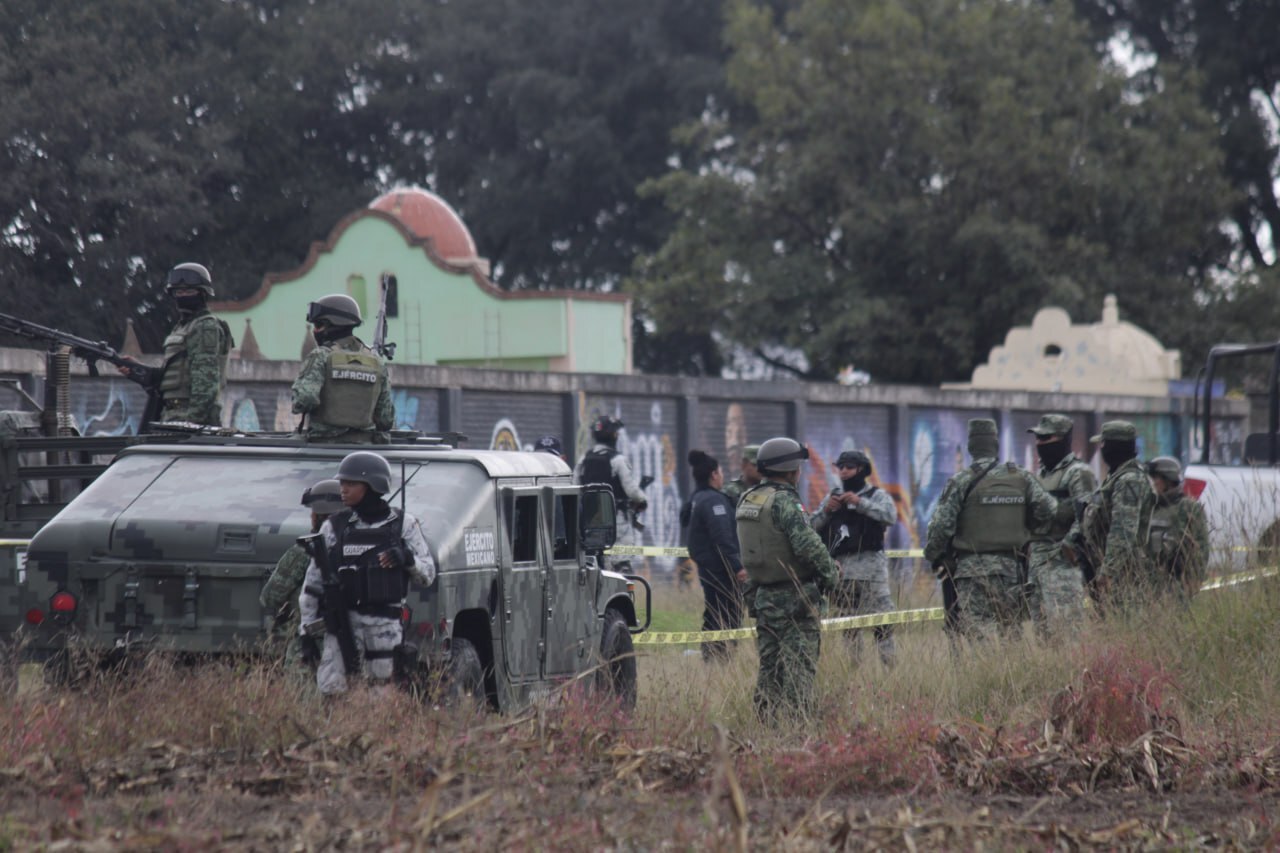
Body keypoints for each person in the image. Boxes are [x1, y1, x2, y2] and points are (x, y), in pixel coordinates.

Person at [298, 451, 436, 695]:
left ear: (372, 485)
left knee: (382, 696)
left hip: (385, 628)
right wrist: (306, 632)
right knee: (333, 693)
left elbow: (427, 575)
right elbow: (313, 584)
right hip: (343, 624)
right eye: (342, 483)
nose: (343, 489)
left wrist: (406, 558)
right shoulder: (335, 526)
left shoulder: (403, 524)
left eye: (351, 484)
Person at [924, 419, 1057, 641]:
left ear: (971, 446)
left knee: (978, 634)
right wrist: (1028, 531)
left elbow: (941, 526)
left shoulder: (961, 481)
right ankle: (1012, 675)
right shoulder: (1021, 477)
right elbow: (1049, 510)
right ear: (995, 444)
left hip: (971, 572)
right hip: (1012, 570)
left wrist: (933, 555)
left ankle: (985, 674)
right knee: (1011, 633)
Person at [737, 437, 839, 721]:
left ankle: (765, 725)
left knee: (769, 668)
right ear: (792, 469)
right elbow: (807, 545)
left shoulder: (749, 499)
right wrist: (830, 574)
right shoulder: (785, 501)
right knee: (799, 669)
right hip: (796, 599)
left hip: (763, 598)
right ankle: (799, 729)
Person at [808, 449, 897, 666]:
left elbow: (890, 516)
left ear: (861, 469)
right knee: (849, 627)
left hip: (872, 574)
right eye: (841, 467)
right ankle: (853, 669)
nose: (845, 471)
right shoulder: (833, 497)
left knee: (883, 622)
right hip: (843, 574)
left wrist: (860, 503)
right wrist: (827, 511)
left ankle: (890, 668)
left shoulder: (877, 496)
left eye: (849, 467)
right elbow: (810, 527)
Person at [120, 262, 233, 426]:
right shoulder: (182, 327)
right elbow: (173, 376)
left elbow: (206, 384)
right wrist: (136, 370)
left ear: (202, 293)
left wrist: (191, 423)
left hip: (190, 418)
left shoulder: (204, 327)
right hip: (171, 415)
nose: (183, 295)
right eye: (178, 291)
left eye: (189, 291)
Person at [1063, 421, 1157, 608]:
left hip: (1122, 575)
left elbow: (1122, 530)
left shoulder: (1129, 480)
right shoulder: (1115, 477)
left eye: (1103, 444)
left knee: (1122, 625)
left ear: (1114, 446)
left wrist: (1108, 571)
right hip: (1103, 568)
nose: (1101, 449)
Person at [260, 479, 344, 672]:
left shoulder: (303, 552)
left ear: (316, 516)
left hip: (309, 648)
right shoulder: (358, 547)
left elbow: (269, 597)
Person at [1025, 414, 1097, 635]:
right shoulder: (1040, 475)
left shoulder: (1078, 473)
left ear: (1063, 440)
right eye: (1037, 438)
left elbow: (1088, 514)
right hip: (1037, 562)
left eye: (1046, 438)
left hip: (1062, 564)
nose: (1039, 444)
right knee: (1043, 633)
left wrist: (1069, 545)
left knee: (1067, 633)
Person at [291, 294, 394, 443]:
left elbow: (305, 399)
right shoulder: (377, 361)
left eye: (318, 325)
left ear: (332, 325)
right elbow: (386, 419)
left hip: (323, 450)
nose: (315, 331)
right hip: (365, 452)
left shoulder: (321, 356)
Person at [684, 450, 745, 663]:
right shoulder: (714, 501)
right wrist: (737, 567)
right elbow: (722, 538)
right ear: (713, 475)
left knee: (713, 613)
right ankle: (721, 659)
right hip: (722, 570)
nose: (722, 476)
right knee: (728, 615)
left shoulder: (696, 498)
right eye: (720, 472)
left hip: (707, 569)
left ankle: (711, 658)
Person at [574, 415, 648, 572]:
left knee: (596, 565)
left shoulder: (583, 459)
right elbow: (632, 490)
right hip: (617, 520)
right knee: (622, 564)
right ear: (613, 435)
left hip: (589, 521)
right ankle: (624, 594)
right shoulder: (618, 460)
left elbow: (574, 488)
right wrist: (642, 500)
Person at [1146, 456, 1210, 602]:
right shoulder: (1150, 508)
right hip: (1150, 589)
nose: (1153, 483)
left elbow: (1201, 550)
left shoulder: (1188, 508)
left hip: (1176, 589)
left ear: (1168, 480)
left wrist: (1189, 585)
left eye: (1156, 478)